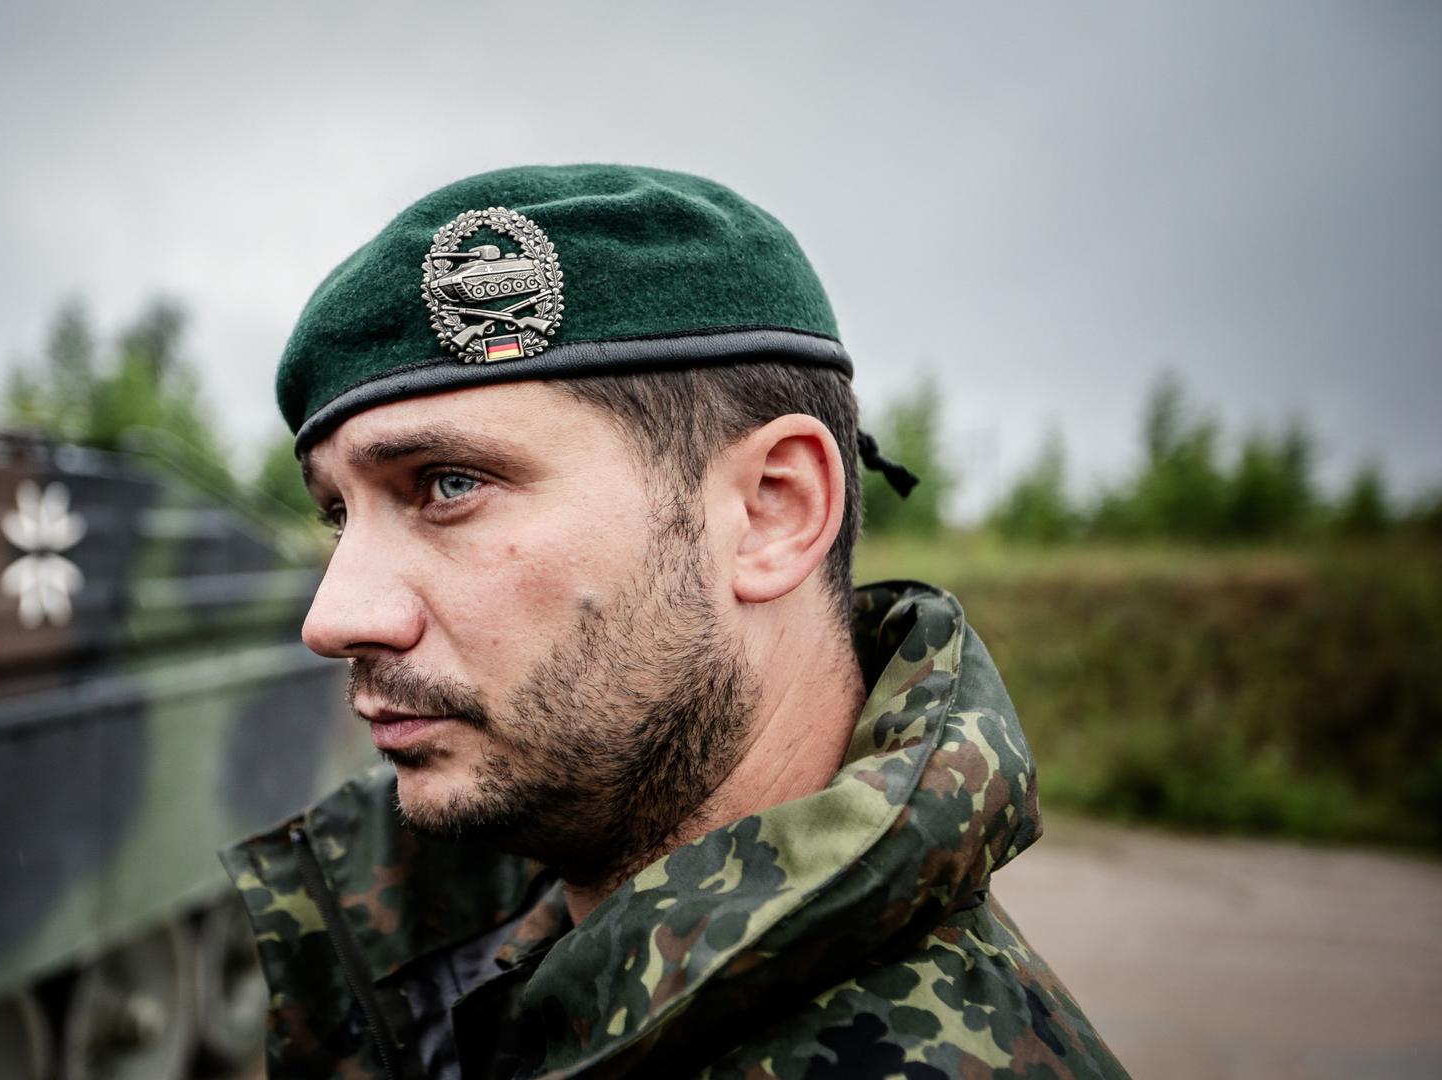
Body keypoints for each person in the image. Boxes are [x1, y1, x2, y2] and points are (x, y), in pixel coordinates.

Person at [221, 164, 1124, 1079]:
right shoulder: (472, 937)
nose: (333, 617)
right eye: (340, 515)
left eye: (451, 484)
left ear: (772, 511)